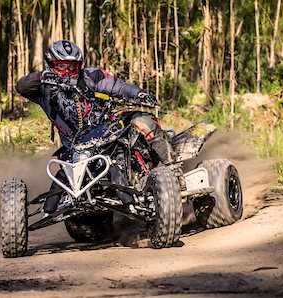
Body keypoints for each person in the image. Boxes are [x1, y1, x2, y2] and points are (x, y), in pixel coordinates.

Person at [16, 40, 173, 214]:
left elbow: (117, 86)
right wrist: (43, 76)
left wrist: (138, 94)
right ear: (51, 65)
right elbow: (22, 87)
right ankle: (55, 208)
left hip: (106, 134)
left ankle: (171, 167)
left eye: (73, 67)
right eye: (61, 66)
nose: (68, 72)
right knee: (65, 177)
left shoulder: (90, 76)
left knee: (142, 120)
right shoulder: (43, 88)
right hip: (73, 148)